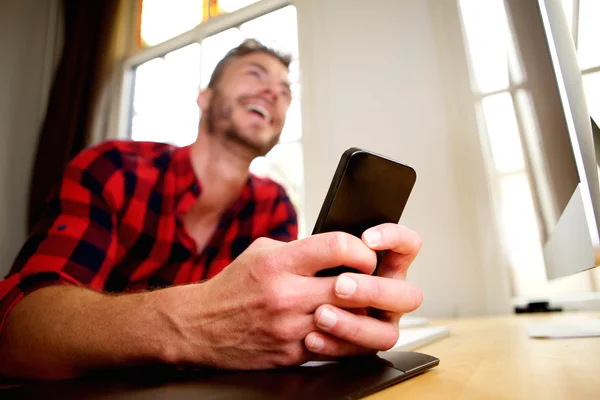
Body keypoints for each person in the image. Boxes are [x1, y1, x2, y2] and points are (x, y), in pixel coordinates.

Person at [0, 39, 423, 380]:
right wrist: (197, 322)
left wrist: (332, 320)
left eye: (284, 91)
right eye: (255, 75)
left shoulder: (273, 204)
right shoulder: (110, 169)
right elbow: (18, 329)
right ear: (204, 97)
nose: (272, 93)